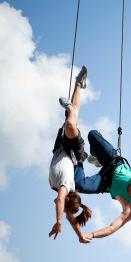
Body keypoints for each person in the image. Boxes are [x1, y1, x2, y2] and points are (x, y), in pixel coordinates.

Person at [74, 130, 131, 242]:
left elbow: (113, 227)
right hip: (113, 162)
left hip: (104, 182)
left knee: (79, 186)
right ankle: (95, 155)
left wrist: (92, 235)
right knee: (92, 134)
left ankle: (79, 156)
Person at [48, 65, 91, 243]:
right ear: (65, 198)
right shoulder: (66, 185)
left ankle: (79, 85)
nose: (60, 204)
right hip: (73, 150)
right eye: (63, 204)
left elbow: (71, 218)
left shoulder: (58, 187)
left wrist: (80, 236)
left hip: (60, 146)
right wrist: (58, 222)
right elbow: (60, 202)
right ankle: (71, 109)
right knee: (70, 123)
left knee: (73, 116)